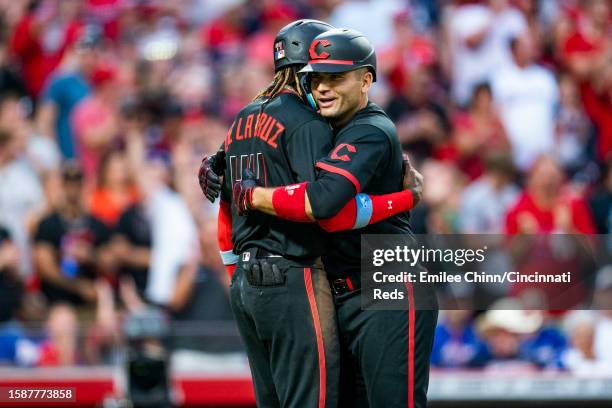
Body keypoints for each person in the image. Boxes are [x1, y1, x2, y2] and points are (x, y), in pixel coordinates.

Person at [230, 28, 437, 408]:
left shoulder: (370, 130)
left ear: (366, 79)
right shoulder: (325, 126)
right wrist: (217, 161)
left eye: (336, 77)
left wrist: (256, 196)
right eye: (317, 77)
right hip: (342, 290)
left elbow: (325, 207)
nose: (324, 87)